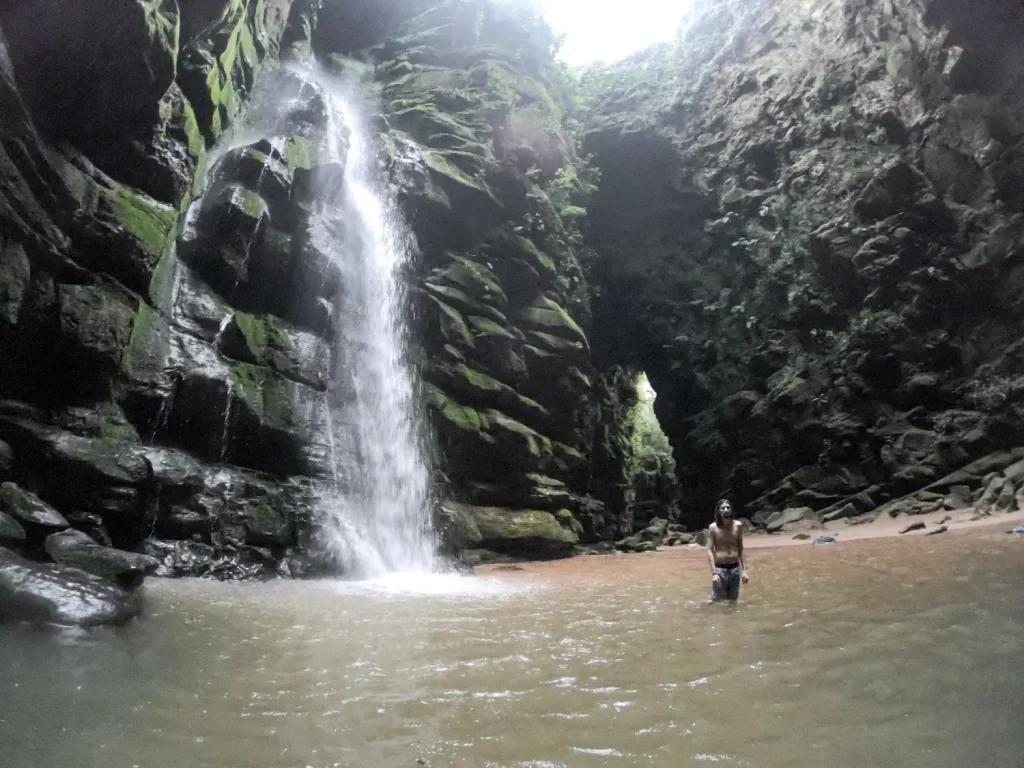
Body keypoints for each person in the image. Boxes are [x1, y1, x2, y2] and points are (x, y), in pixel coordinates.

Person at [707, 498, 749, 602]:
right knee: (717, 601)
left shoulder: (738, 526)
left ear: (731, 510)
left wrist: (744, 571)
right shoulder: (713, 527)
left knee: (733, 601)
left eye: (728, 507)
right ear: (718, 511)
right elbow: (709, 550)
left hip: (735, 568)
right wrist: (714, 573)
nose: (725, 510)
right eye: (723, 508)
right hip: (720, 569)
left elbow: (741, 548)